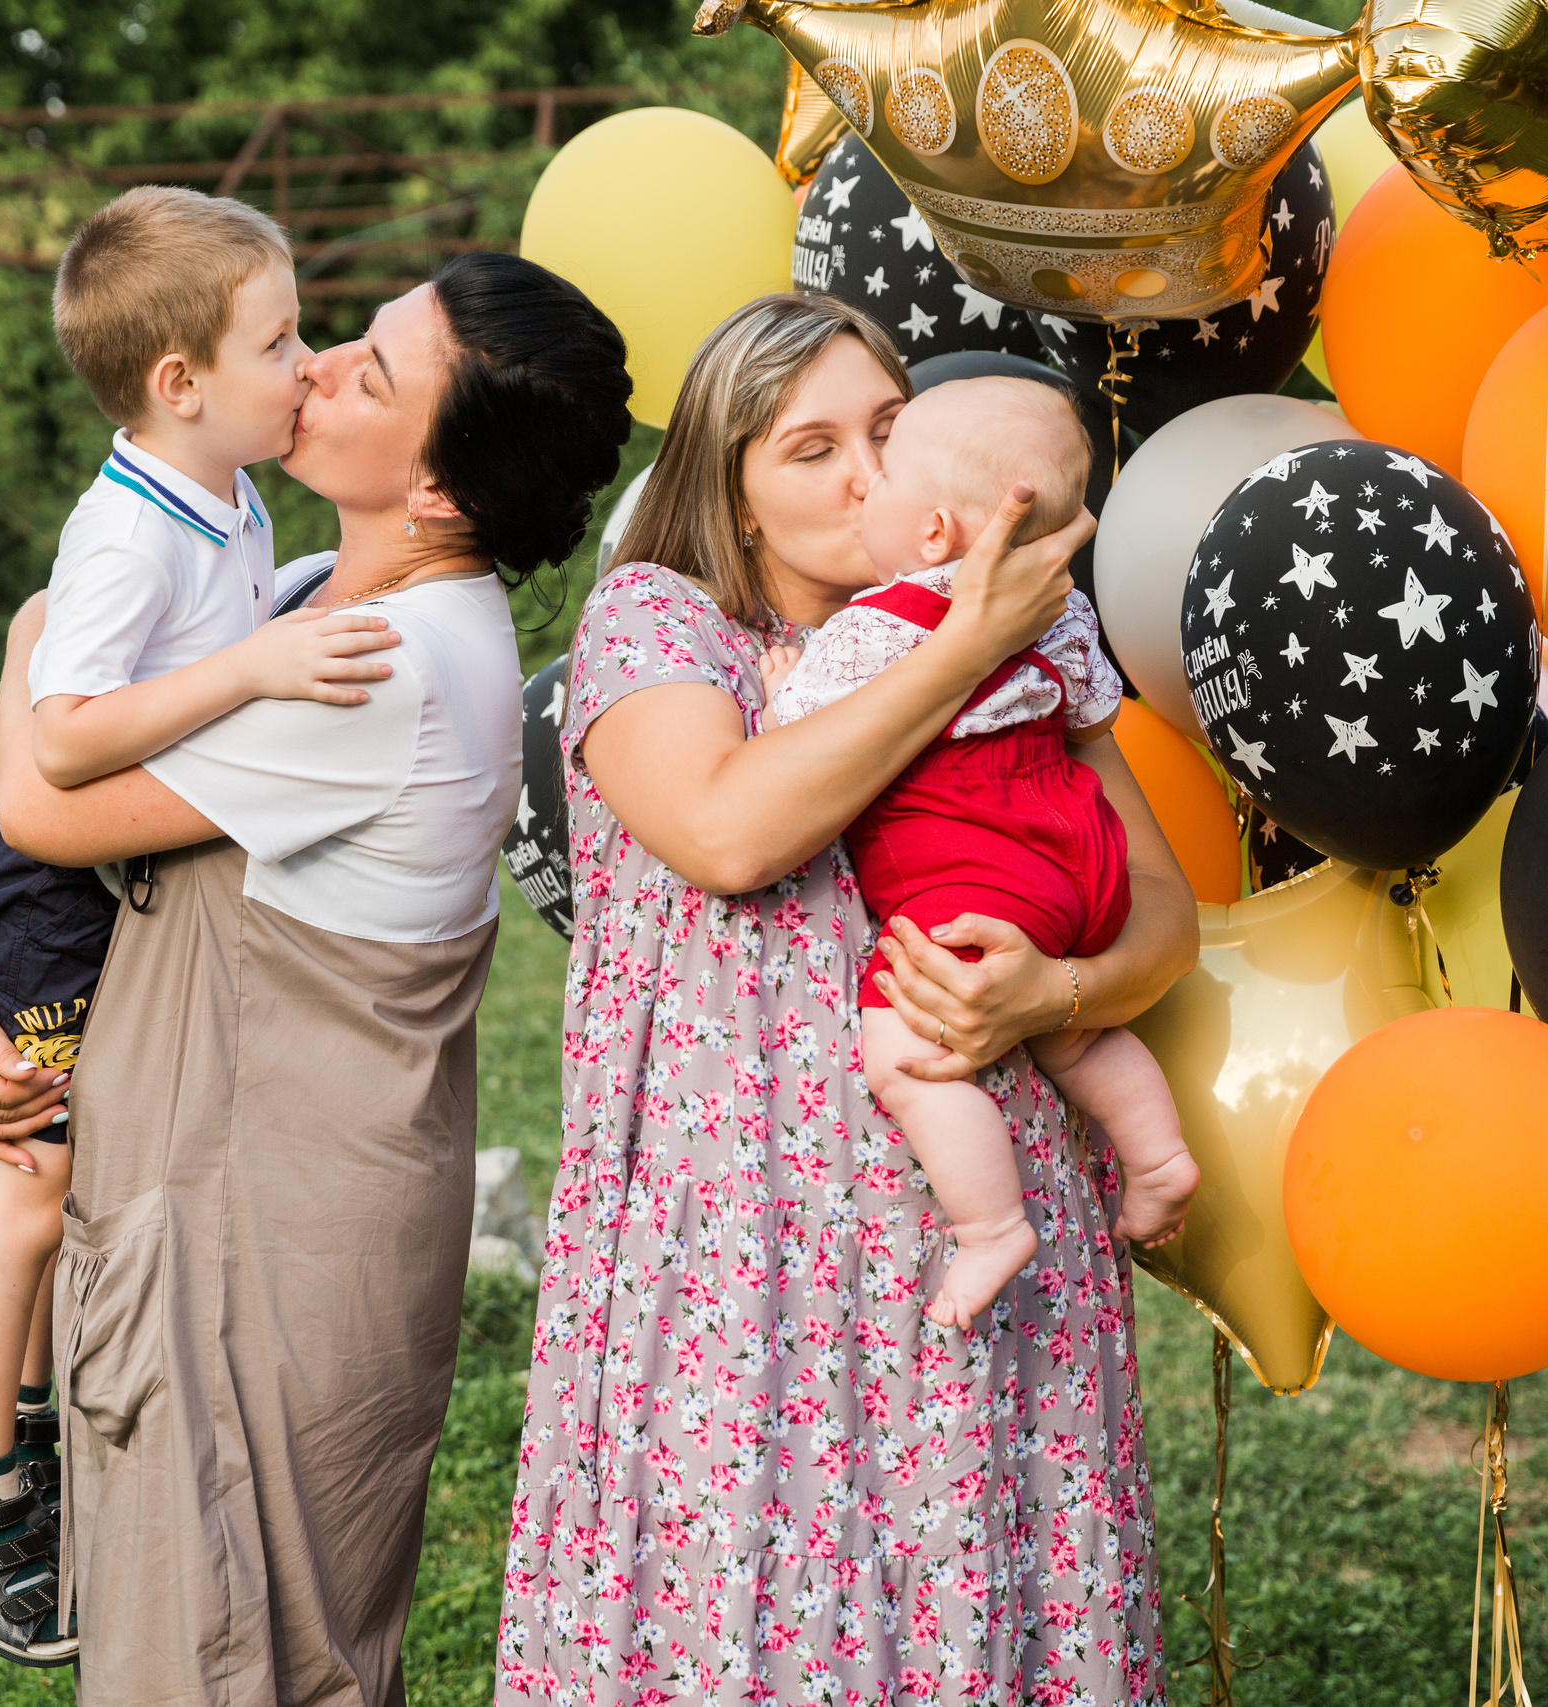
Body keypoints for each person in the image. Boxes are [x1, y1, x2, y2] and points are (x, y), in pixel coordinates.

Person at [0, 251, 633, 1703]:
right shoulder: (307, 590)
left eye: (367, 372)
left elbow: (51, 803)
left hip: (264, 1251)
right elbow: (98, 855)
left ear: (439, 489)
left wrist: (31, 632)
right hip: (218, 1204)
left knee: (230, 1650)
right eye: (339, 337)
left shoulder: (383, 663)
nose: (310, 370)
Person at [495, 295, 1199, 1707]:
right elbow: (730, 831)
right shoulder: (662, 620)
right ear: (734, 492)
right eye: (810, 447)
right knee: (737, 1603)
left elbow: (1168, 918)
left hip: (976, 1233)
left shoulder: (1023, 647)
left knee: (980, 1595)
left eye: (887, 429)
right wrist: (954, 643)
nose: (868, 473)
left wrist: (1049, 992)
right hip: (738, 1250)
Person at [0, 185, 408, 1669]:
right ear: (179, 383)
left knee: (92, 1170)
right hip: (50, 894)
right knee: (38, 1178)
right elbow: (60, 741)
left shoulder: (228, 490)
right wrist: (256, 668)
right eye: (284, 339)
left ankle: (46, 1436)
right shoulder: (128, 530)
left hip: (102, 883)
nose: (309, 363)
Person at [758, 375, 1198, 1332]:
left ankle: (991, 1224)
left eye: (884, 465)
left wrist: (792, 682)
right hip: (1079, 856)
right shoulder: (1062, 614)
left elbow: (794, 739)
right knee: (1073, 1029)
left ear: (931, 537)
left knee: (909, 1050)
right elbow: (1086, 711)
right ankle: (1158, 1155)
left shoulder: (872, 629)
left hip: (972, 868)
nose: (864, 482)